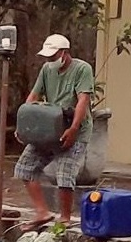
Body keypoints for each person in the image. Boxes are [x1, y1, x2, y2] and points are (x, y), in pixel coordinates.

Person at [14, 34, 95, 228]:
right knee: (25, 168)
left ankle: (65, 217)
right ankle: (42, 211)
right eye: (48, 57)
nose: (50, 60)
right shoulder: (46, 70)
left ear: (64, 53)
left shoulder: (82, 69)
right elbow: (33, 96)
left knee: (65, 173)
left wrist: (74, 128)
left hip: (74, 127)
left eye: (53, 56)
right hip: (48, 127)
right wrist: (24, 125)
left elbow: (83, 100)